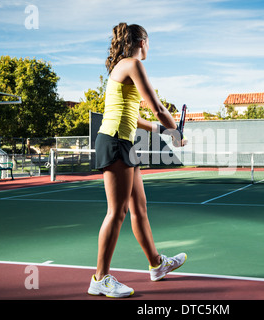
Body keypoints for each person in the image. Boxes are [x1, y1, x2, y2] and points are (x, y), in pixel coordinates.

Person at [87, 23, 187, 298]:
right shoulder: (132, 64)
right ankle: (100, 277)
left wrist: (162, 130)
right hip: (114, 141)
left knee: (139, 209)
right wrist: (175, 134)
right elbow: (157, 107)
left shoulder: (122, 67)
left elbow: (134, 115)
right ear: (142, 41)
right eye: (149, 42)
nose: (150, 47)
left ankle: (156, 264)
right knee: (116, 212)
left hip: (125, 142)